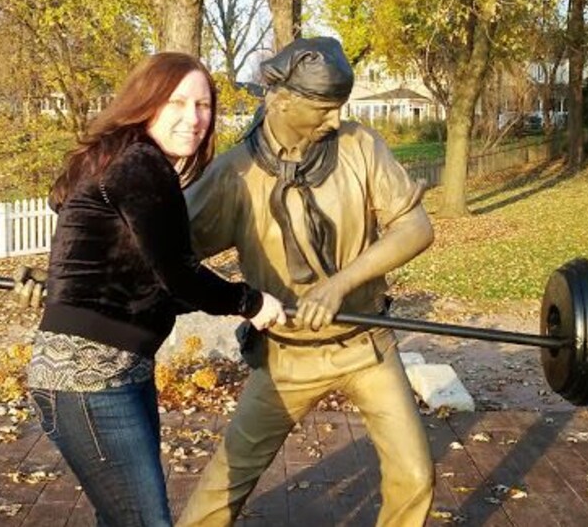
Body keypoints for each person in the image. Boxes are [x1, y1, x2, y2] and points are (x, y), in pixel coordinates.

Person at [176, 36, 435, 526]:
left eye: (340, 107)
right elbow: (161, 251)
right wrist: (64, 276)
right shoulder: (235, 175)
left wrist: (340, 284)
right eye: (324, 107)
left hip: (366, 346)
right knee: (220, 490)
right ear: (281, 100)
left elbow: (416, 227)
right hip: (286, 358)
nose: (336, 119)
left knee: (415, 475)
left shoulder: (360, 146)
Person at [26, 52, 286, 527]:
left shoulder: (117, 157)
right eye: (177, 102)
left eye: (204, 105)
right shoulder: (139, 164)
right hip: (88, 379)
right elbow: (179, 276)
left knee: (120, 518)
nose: (194, 118)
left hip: (115, 372)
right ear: (146, 102)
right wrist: (251, 303)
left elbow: (138, 276)